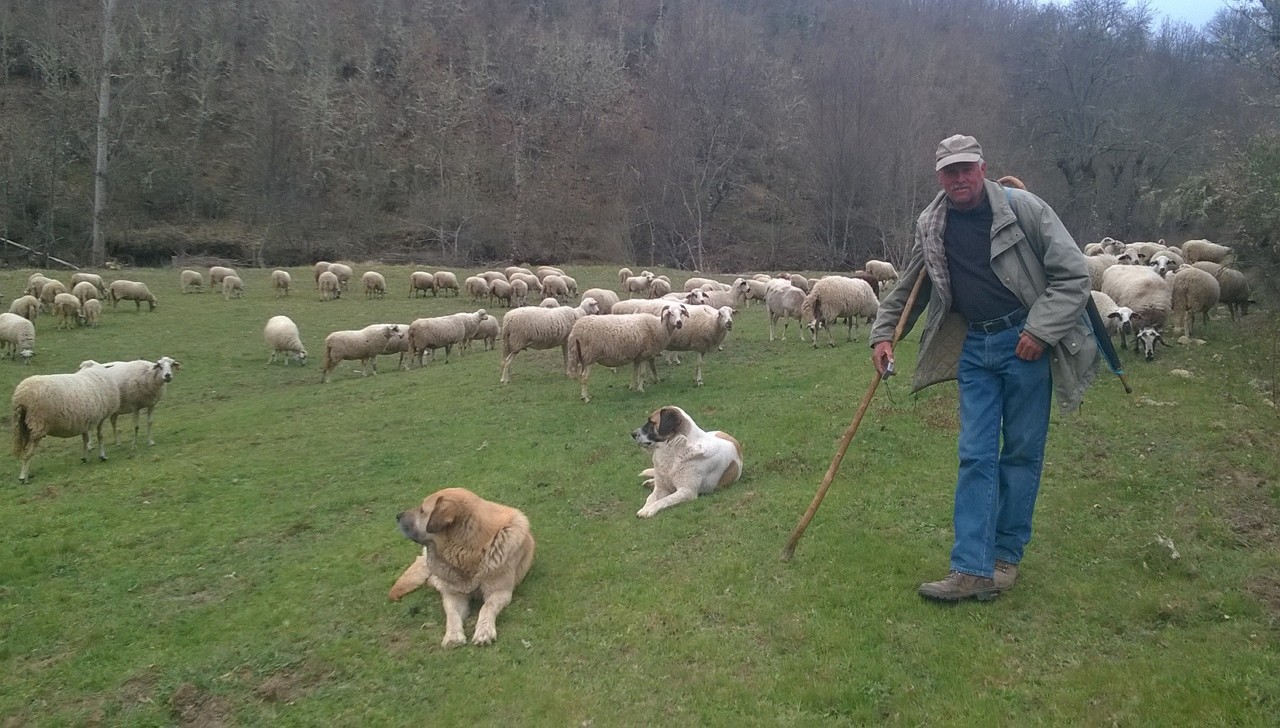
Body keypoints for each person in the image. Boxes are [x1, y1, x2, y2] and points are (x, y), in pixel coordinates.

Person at [868, 134, 1098, 602]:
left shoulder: (1023, 210)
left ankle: (1004, 557)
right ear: (939, 177)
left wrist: (1040, 332)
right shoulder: (933, 223)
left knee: (1020, 453)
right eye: (950, 171)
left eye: (966, 169)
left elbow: (1075, 274)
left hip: (1024, 343)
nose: (959, 179)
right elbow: (913, 285)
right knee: (975, 453)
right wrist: (884, 333)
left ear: (982, 168)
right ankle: (970, 568)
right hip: (975, 346)